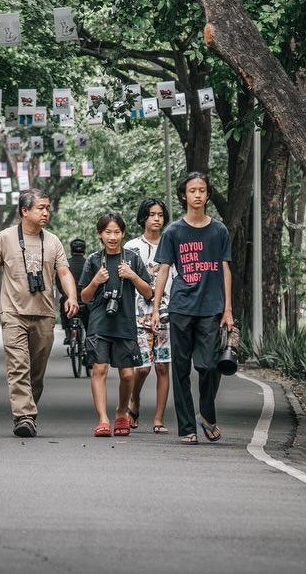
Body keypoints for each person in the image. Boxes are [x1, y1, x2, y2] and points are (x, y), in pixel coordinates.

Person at [0, 188, 80, 438]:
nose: (46, 212)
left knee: (36, 371)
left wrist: (72, 296)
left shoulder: (53, 241)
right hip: (13, 313)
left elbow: (64, 272)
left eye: (48, 208)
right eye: (40, 208)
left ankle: (27, 413)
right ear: (24, 211)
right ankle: (24, 416)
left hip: (44, 313)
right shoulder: (4, 238)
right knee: (18, 366)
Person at [152, 172, 233, 445]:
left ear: (208, 194)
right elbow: (164, 270)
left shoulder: (219, 230)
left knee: (209, 365)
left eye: (202, 190)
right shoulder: (173, 232)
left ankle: (207, 415)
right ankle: (187, 427)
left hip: (212, 307)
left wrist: (228, 310)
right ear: (183, 196)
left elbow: (225, 269)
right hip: (181, 307)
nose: (197, 195)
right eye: (192, 191)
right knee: (181, 369)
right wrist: (155, 308)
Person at [80, 213, 153, 438]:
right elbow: (84, 297)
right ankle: (103, 419)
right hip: (100, 323)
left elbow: (149, 292)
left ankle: (121, 412)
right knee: (99, 369)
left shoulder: (131, 258)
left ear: (123, 233)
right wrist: (95, 281)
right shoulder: (93, 260)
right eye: (108, 232)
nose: (112, 237)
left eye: (117, 232)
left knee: (128, 375)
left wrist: (132, 276)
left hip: (125, 324)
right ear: (100, 234)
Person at [125, 198, 173, 434]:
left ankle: (158, 419)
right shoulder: (132, 247)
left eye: (161, 215)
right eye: (152, 214)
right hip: (138, 313)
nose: (157, 218)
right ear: (143, 217)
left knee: (163, 367)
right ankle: (134, 400)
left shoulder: (171, 243)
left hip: (167, 312)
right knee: (143, 367)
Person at [60, 238, 89, 345]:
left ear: (71, 250)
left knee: (62, 303)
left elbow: (60, 284)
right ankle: (88, 341)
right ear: (84, 250)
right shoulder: (88, 263)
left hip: (69, 300)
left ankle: (68, 333)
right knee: (88, 324)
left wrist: (65, 294)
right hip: (86, 302)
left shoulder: (65, 265)